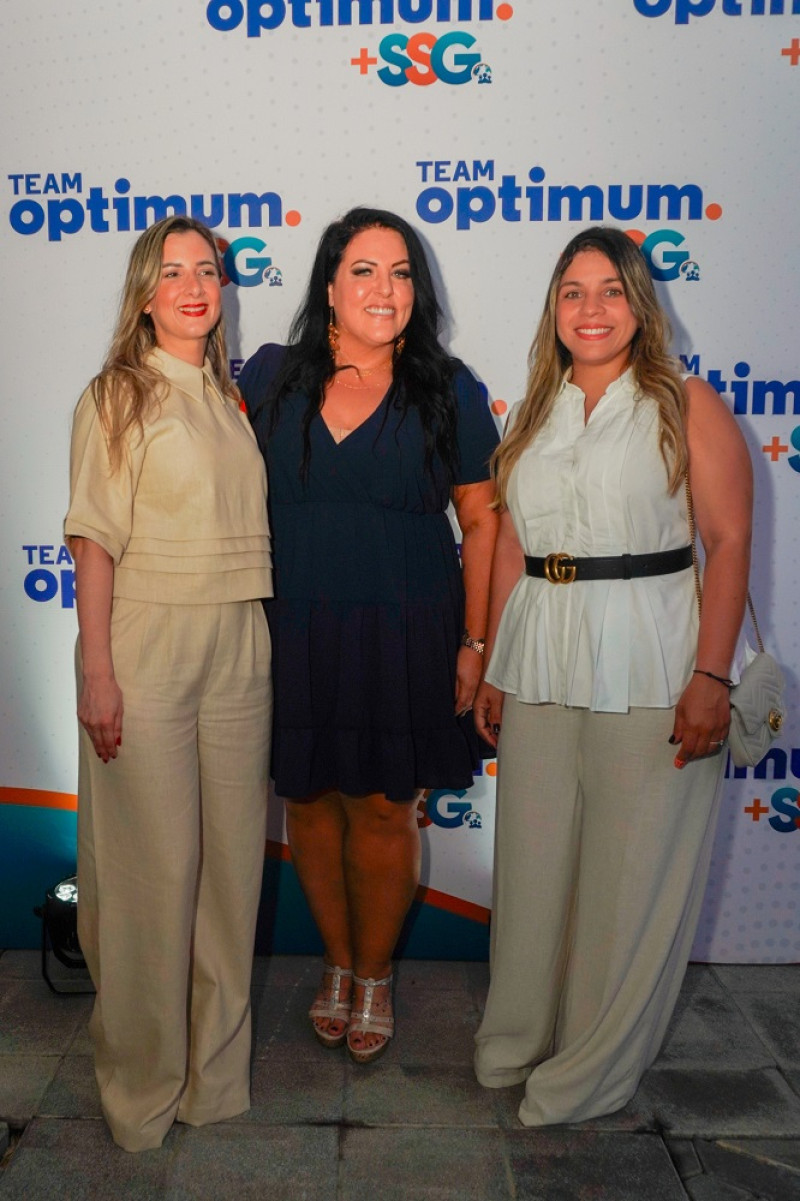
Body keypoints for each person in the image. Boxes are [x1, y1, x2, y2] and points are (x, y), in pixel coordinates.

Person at [472, 226, 752, 1126]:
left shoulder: (685, 402)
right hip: (541, 652)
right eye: (572, 292)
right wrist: (491, 662)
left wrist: (711, 673)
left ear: (641, 303)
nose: (590, 309)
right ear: (553, 310)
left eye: (610, 291)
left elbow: (728, 541)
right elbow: (512, 547)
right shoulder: (534, 413)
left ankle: (589, 1068)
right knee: (533, 862)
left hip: (652, 656)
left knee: (628, 877)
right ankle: (516, 1038)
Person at [240, 207, 499, 1063]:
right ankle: (337, 961)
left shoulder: (448, 387)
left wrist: (474, 643)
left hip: (406, 633)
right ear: (329, 284)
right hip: (295, 629)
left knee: (387, 808)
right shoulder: (271, 377)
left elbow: (482, 523)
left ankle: (377, 972)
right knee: (309, 805)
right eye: (364, 270)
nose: (383, 289)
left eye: (399, 272)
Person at [64, 216, 272, 1151]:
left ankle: (212, 1081)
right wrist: (97, 667)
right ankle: (141, 1088)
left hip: (241, 640)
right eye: (174, 271)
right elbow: (94, 539)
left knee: (229, 875)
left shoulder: (229, 398)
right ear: (144, 292)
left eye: (208, 271)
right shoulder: (116, 394)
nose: (195, 285)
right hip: (146, 644)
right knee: (153, 880)